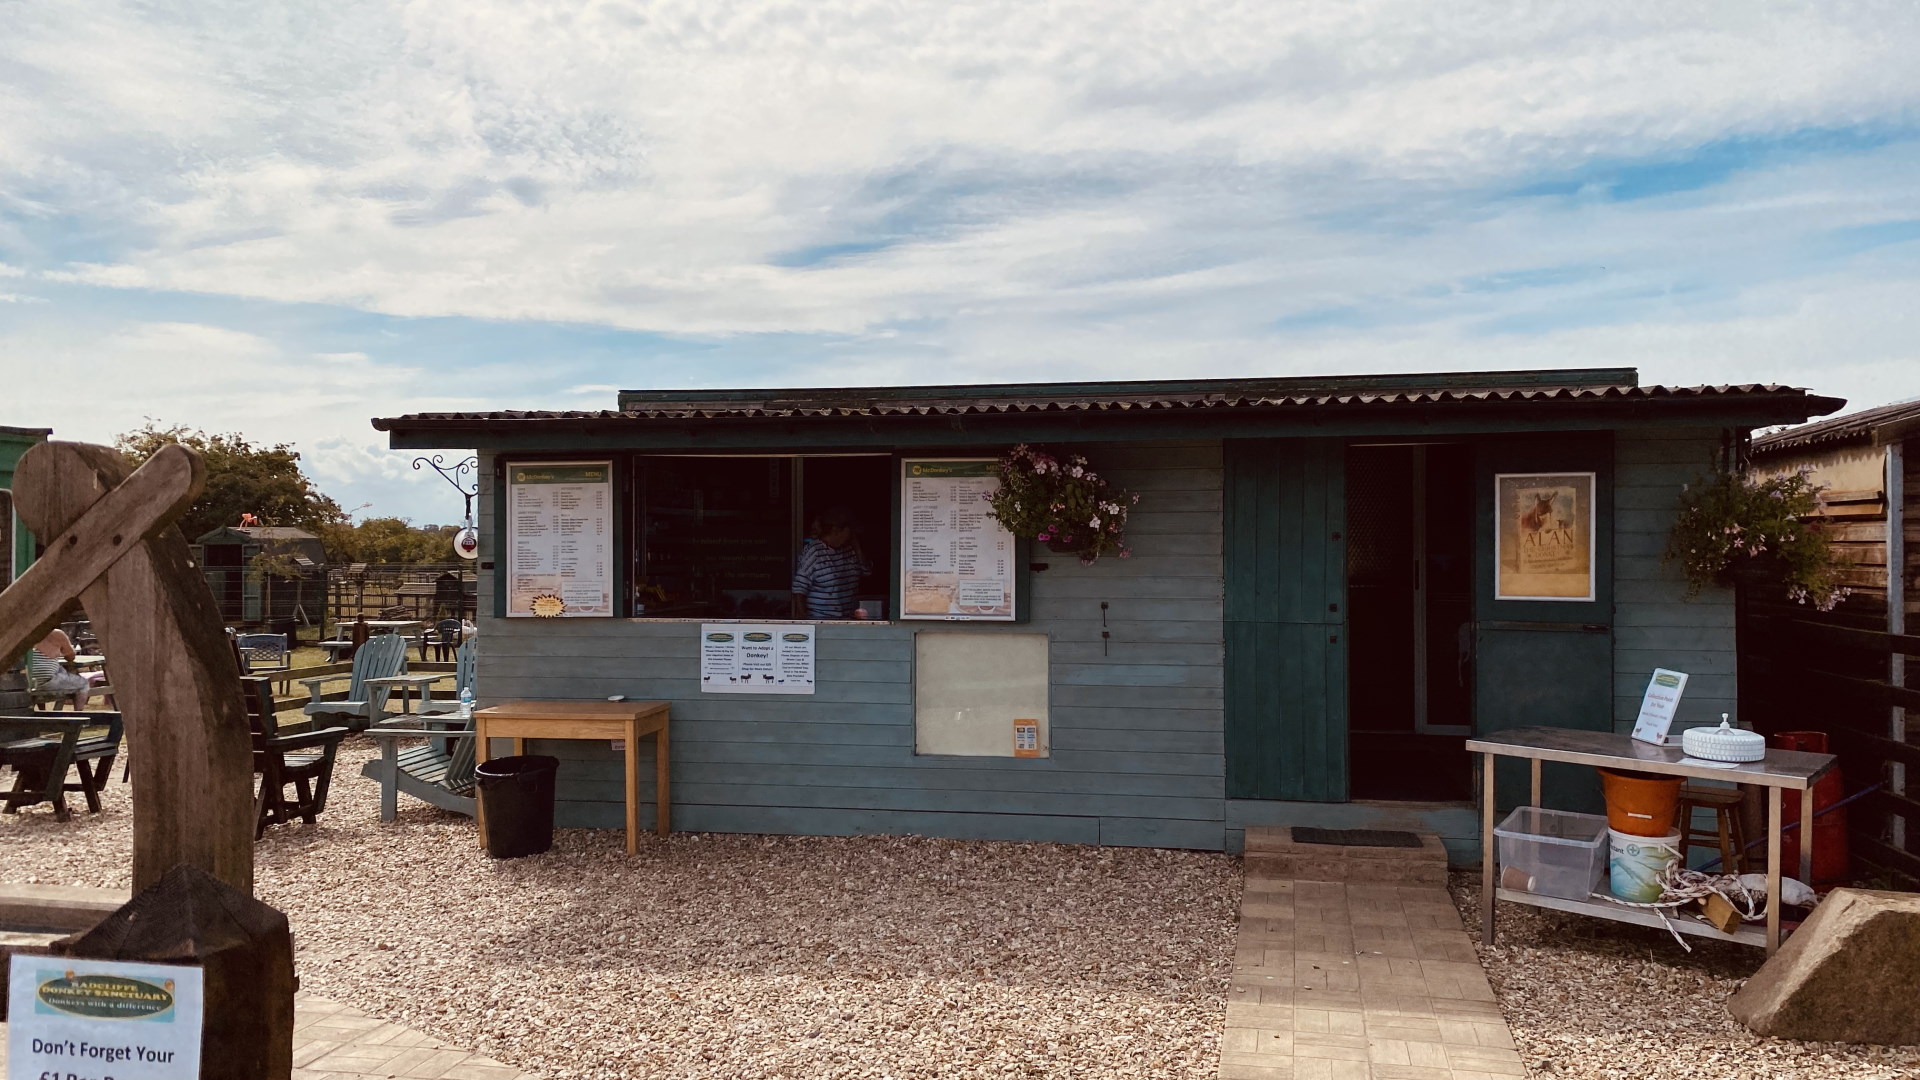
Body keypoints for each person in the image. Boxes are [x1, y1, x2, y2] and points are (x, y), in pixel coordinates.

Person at [790, 507, 869, 619]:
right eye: (849, 530)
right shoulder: (814, 551)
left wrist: (858, 549)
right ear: (836, 529)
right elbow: (799, 587)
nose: (852, 534)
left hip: (848, 619)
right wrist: (803, 620)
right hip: (821, 620)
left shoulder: (849, 550)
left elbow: (866, 572)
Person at [28, 627, 99, 710]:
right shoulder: (56, 634)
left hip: (27, 681)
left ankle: (42, 711)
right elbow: (71, 656)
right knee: (83, 684)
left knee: (53, 670)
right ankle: (78, 716)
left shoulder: (27, 633)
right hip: (47, 682)